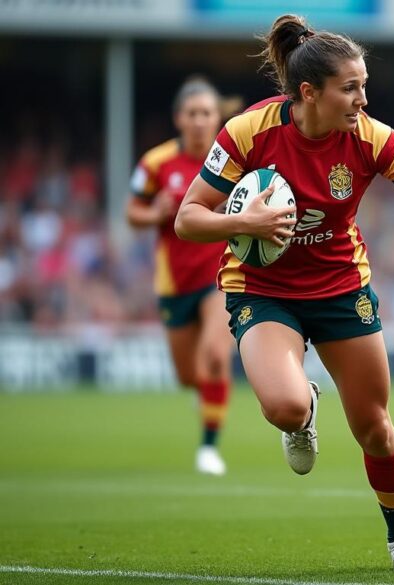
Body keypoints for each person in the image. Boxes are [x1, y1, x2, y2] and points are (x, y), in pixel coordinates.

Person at [175, 15, 394, 572]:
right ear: (309, 92)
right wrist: (245, 224)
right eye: (351, 88)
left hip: (340, 288)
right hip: (262, 289)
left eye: (365, 85)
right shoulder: (247, 132)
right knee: (286, 407)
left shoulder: (372, 137)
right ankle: (305, 410)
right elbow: (188, 218)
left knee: (375, 428)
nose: (363, 99)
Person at [125, 77, 235, 476]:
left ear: (217, 117)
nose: (200, 120)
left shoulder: (232, 161)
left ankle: (208, 448)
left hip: (220, 276)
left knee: (216, 356)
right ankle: (204, 392)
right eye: (192, 113)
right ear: (179, 119)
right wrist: (155, 213)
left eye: (207, 113)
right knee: (189, 376)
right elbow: (132, 213)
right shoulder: (156, 163)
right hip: (174, 283)